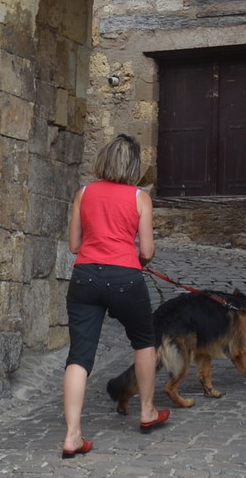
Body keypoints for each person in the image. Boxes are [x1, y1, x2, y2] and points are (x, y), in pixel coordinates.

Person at [61, 134, 169, 458]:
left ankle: (72, 435)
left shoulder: (84, 193)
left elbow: (74, 245)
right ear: (134, 166)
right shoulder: (140, 197)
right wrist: (137, 259)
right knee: (144, 340)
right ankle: (147, 410)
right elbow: (147, 250)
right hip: (125, 277)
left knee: (79, 355)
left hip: (84, 278)